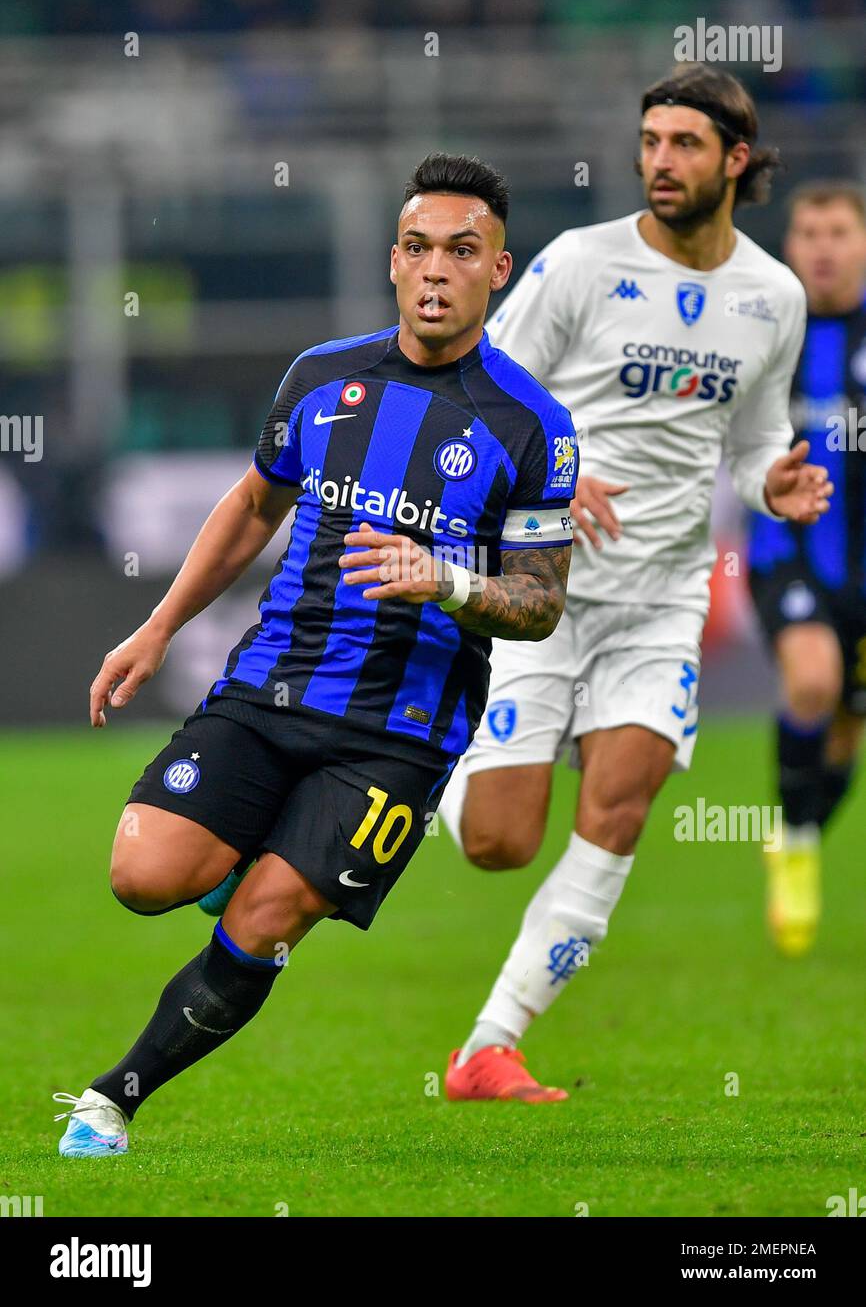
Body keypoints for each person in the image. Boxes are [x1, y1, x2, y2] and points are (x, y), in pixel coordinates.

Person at [53, 153, 577, 1156]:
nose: (435, 271)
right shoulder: (320, 377)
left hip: (400, 731)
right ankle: (252, 846)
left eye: (461, 252)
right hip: (268, 684)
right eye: (418, 248)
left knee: (265, 912)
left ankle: (112, 1099)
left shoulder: (532, 427)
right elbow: (255, 504)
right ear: (391, 261)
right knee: (141, 873)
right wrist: (157, 625)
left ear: (496, 271)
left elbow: (541, 602)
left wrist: (449, 582)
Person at [438, 66, 832, 1104]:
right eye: (650, 140)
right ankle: (440, 740)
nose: (659, 160)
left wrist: (773, 480)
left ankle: (490, 1045)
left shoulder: (771, 295)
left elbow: (748, 442)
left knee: (616, 810)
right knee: (497, 843)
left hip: (661, 600)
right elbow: (479, 388)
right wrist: (556, 476)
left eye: (684, 144)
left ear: (733, 161)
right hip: (539, 584)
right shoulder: (580, 264)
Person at [749, 180, 866, 956]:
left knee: (847, 726)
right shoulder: (764, 331)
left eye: (838, 233)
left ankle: (800, 834)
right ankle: (793, 845)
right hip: (783, 552)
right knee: (814, 680)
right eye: (809, 233)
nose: (822, 247)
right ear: (790, 248)